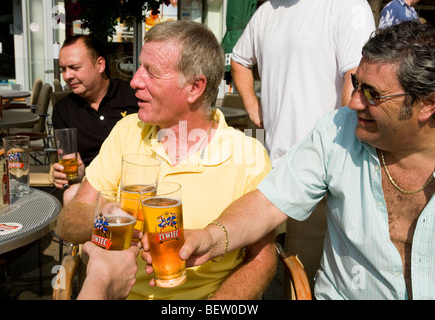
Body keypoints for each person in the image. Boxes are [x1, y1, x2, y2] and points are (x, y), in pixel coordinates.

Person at [176, 21, 435, 300]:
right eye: (356, 84)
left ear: (427, 103)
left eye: (373, 94)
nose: (354, 102)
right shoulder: (338, 130)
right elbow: (268, 203)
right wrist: (212, 239)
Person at [55, 20, 276, 300]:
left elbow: (263, 258)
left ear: (195, 87)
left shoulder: (249, 155)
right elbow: (69, 222)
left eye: (151, 72)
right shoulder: (128, 130)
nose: (134, 80)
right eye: (139, 67)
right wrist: (104, 220)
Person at [230, 0, 375, 166]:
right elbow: (239, 61)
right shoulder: (266, 11)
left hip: (325, 165)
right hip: (275, 163)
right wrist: (253, 106)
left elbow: (357, 78)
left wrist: (345, 160)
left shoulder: (348, 5)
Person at [52, 35, 139, 197]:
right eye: (63, 69)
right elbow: (74, 164)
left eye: (74, 67)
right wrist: (68, 174)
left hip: (136, 183)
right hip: (95, 186)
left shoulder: (134, 97)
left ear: (100, 65)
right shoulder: (63, 109)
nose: (67, 75)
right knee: (70, 193)